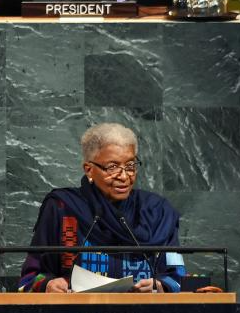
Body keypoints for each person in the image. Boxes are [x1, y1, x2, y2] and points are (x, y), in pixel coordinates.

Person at [19, 123, 185, 293]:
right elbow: (30, 278)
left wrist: (159, 285)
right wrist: (48, 285)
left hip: (144, 308)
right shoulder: (63, 207)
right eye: (112, 167)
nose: (124, 176)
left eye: (130, 166)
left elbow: (176, 276)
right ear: (89, 170)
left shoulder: (158, 211)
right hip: (76, 308)